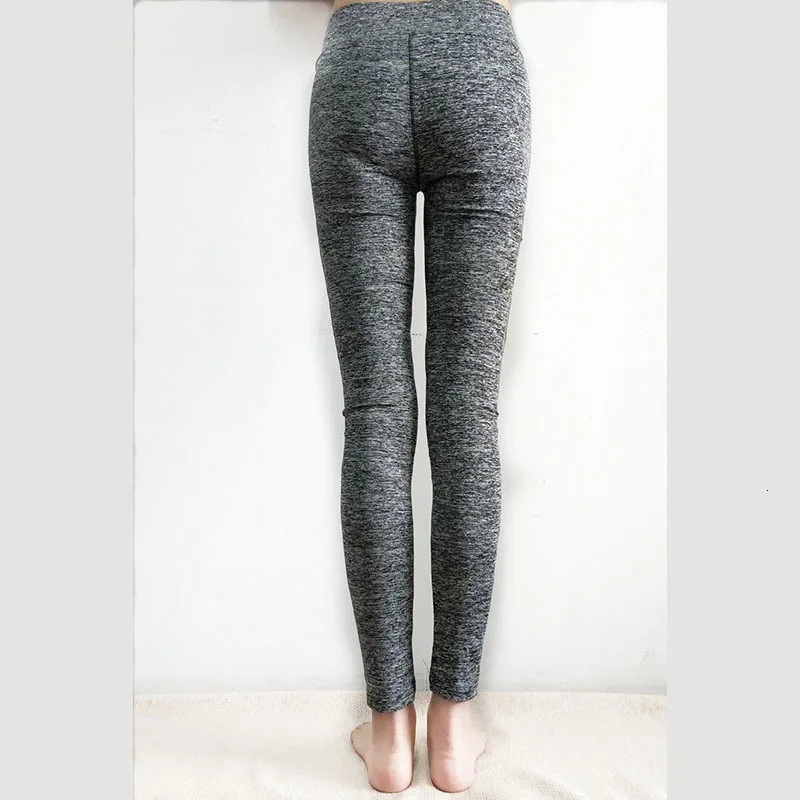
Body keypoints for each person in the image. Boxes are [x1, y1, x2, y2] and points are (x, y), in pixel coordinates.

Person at [308, 0, 531, 791]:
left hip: (358, 60)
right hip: (478, 59)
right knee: (467, 407)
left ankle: (389, 731)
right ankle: (453, 726)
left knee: (374, 407)